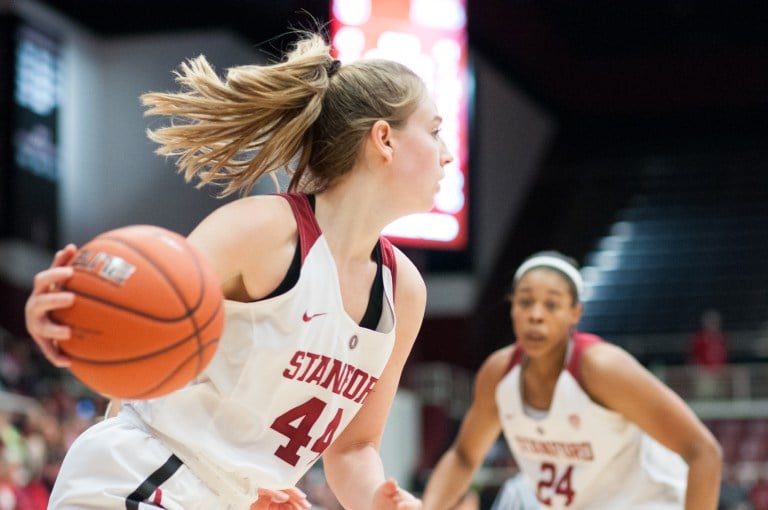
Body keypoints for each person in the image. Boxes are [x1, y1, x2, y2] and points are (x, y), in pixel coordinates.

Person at [24, 29, 453, 510]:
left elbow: (353, 449)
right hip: (143, 477)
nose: (447, 153)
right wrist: (71, 323)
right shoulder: (264, 232)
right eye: (434, 131)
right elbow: (134, 322)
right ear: (384, 139)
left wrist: (379, 500)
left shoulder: (403, 292)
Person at [421, 251, 723, 509]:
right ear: (512, 308)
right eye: (525, 302)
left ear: (575, 313)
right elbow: (463, 456)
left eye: (551, 304)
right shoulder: (498, 374)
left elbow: (704, 452)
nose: (536, 315)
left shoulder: (602, 368)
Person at [689, 308, 729, 399]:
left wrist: (723, 371)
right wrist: (697, 370)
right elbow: (694, 355)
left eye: (715, 321)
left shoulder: (721, 337)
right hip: (704, 373)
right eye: (710, 321)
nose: (713, 324)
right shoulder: (699, 338)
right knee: (705, 397)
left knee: (720, 397)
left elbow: (724, 355)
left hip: (719, 373)